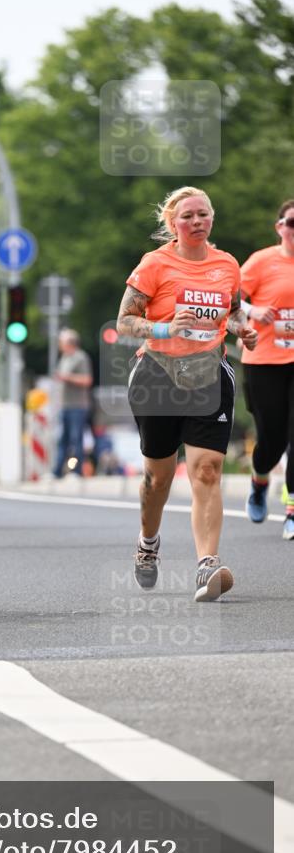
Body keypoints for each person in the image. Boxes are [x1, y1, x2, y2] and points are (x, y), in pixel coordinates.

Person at [116, 186, 257, 602]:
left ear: (212, 218)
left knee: (207, 469)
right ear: (172, 224)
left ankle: (206, 565)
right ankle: (148, 542)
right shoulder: (155, 265)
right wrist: (165, 328)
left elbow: (231, 311)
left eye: (203, 215)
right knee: (157, 478)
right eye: (187, 216)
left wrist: (240, 327)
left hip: (210, 373)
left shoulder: (227, 264)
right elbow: (125, 320)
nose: (197, 222)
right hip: (158, 375)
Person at [240, 199, 294, 540]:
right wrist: (254, 311)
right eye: (292, 223)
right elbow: (231, 299)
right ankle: (260, 483)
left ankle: (292, 512)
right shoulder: (262, 261)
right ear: (280, 227)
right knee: (271, 440)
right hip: (264, 362)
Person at [53, 329, 93, 477]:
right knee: (62, 439)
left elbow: (87, 380)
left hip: (78, 406)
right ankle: (57, 471)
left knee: (76, 439)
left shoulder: (80, 358)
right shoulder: (64, 357)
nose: (59, 345)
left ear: (70, 343)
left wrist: (67, 377)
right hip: (65, 405)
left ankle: (76, 471)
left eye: (61, 342)